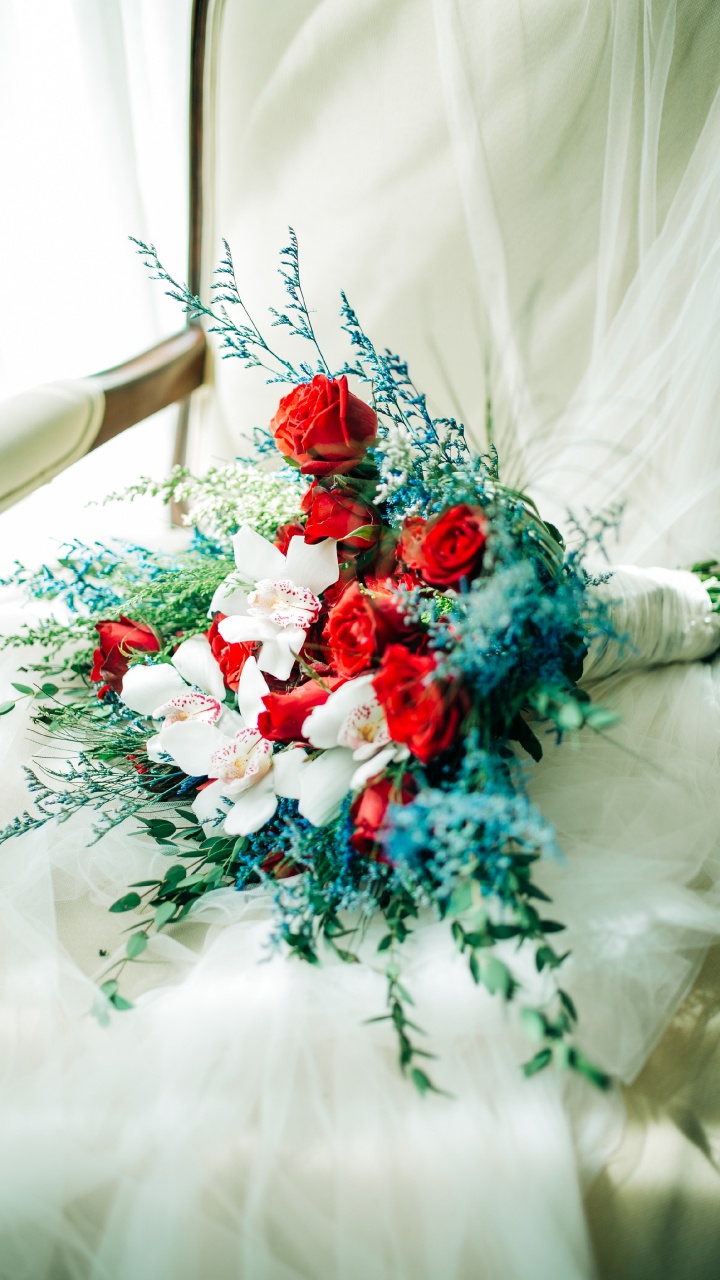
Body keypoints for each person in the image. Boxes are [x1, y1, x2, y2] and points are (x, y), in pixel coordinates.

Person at [1, 3, 720, 1276]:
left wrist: (354, 684)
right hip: (317, 656)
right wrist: (292, 681)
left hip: (474, 634)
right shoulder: (305, 608)